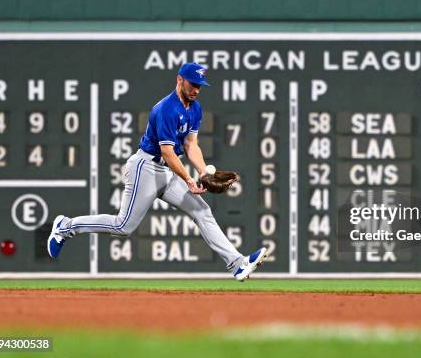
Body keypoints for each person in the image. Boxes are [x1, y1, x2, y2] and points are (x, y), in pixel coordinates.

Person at [47, 62, 267, 281]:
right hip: (146, 167)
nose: (196, 90)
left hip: (167, 172)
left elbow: (191, 145)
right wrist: (189, 179)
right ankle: (65, 226)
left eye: (200, 86)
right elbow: (168, 152)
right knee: (123, 226)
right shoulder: (165, 109)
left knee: (202, 211)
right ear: (179, 80)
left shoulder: (195, 109)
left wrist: (203, 172)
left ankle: (237, 264)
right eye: (193, 84)